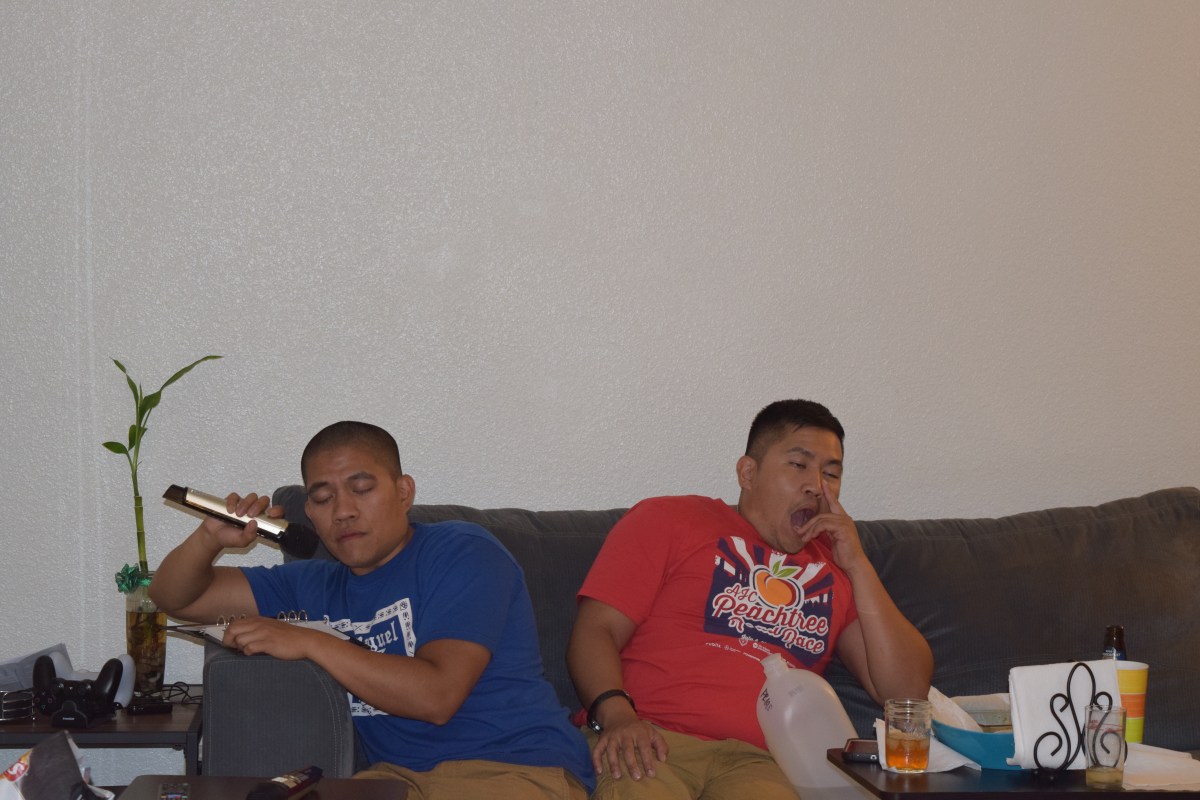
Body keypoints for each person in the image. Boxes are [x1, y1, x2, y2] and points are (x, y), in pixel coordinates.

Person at [150, 421, 593, 799]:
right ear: (310, 514)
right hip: (396, 780)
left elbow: (437, 697)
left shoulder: (462, 552)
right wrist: (209, 539)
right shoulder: (311, 582)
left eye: (361, 489)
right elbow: (176, 598)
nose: (343, 511)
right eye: (323, 499)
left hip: (516, 769)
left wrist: (309, 641)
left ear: (403, 492)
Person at [567, 399, 933, 799]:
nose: (817, 485)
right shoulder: (669, 519)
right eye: (799, 465)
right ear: (748, 473)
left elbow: (906, 693)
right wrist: (618, 717)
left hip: (758, 763)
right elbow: (596, 630)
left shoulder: (835, 568)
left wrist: (858, 564)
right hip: (650, 739)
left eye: (831, 473)